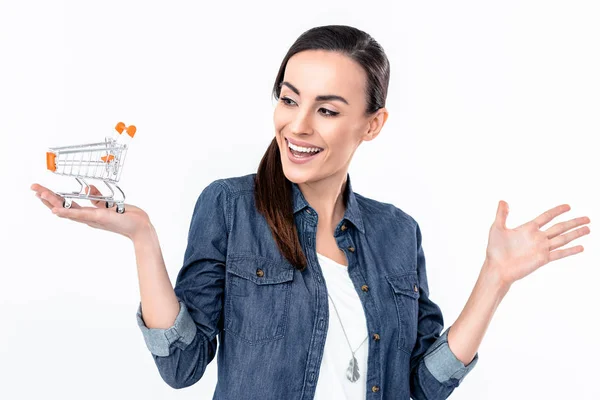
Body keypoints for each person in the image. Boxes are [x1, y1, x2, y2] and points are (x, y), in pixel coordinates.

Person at [31, 25, 591, 399]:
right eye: (288, 98)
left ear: (372, 125)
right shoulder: (229, 206)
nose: (297, 126)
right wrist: (142, 238)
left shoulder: (398, 232)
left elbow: (423, 384)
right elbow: (182, 366)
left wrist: (495, 280)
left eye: (326, 110)